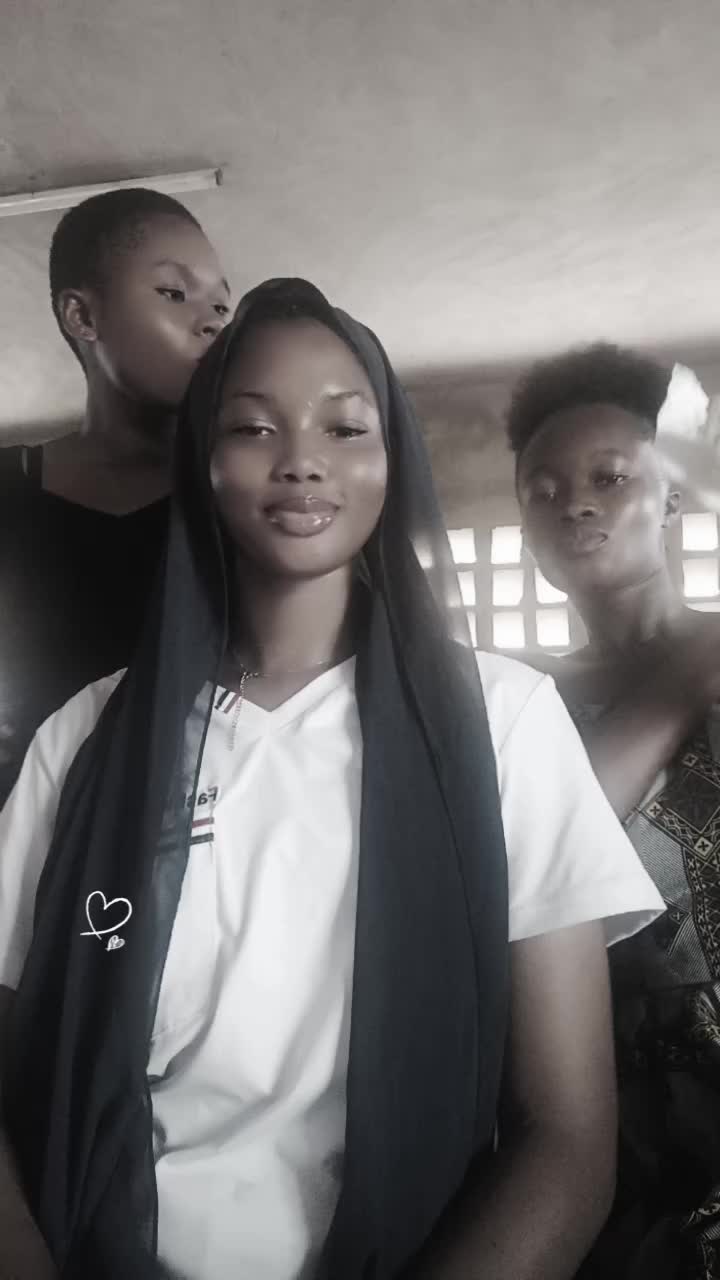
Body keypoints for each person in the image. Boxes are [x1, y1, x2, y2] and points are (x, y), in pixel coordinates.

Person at [0, 284, 663, 1280]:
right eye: (253, 426)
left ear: (392, 457)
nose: (302, 458)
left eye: (345, 426)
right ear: (202, 460)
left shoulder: (503, 722)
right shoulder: (86, 739)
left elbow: (567, 1143)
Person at [509, 342, 720, 1279]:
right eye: (543, 490)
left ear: (672, 495)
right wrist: (689, 674)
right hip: (607, 1113)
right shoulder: (511, 701)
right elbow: (542, 862)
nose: (575, 504)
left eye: (610, 477)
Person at [0, 187, 230, 805]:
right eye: (174, 293)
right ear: (82, 316)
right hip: (29, 828)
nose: (211, 322)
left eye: (220, 305)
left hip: (199, 829)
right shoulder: (9, 487)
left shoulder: (238, 494)